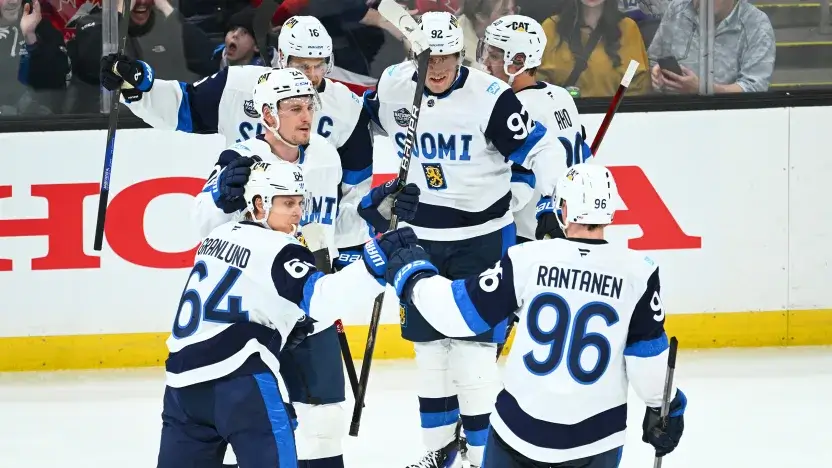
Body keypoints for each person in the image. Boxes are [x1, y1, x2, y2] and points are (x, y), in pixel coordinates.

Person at [383, 162, 687, 467]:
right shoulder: (639, 272)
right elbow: (649, 368)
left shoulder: (527, 259)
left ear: (564, 208)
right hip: (596, 441)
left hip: (519, 433)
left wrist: (413, 273)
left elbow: (457, 314)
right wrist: (668, 407)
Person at [360, 11, 562, 468]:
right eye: (428, 58)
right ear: (414, 55)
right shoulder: (393, 86)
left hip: (481, 242)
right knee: (432, 359)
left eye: (447, 57)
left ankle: (482, 456)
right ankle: (439, 453)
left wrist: (550, 198)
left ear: (461, 54)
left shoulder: (489, 97)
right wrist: (374, 198)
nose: (437, 68)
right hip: (419, 242)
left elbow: (545, 148)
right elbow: (359, 127)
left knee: (472, 360)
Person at [191, 67, 418, 468]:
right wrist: (221, 200)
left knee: (327, 421)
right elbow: (202, 227)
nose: (306, 116)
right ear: (267, 115)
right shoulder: (239, 161)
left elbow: (329, 229)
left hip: (308, 308)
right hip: (255, 319)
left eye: (309, 106)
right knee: (250, 427)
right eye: (294, 108)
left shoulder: (325, 155)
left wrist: (373, 213)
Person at [157, 159, 420, 468]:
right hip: (239, 382)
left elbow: (250, 294)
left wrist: (291, 322)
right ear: (259, 203)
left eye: (299, 202)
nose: (297, 211)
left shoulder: (218, 235)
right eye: (286, 203)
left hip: (179, 388)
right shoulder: (280, 247)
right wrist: (374, 264)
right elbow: (321, 299)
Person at [99, 14, 374, 252]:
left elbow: (354, 195)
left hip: (309, 240)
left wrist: (346, 250)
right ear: (280, 58)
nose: (312, 76)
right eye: (302, 66)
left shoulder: (348, 110)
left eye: (320, 65)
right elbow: (182, 106)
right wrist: (135, 88)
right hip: (245, 235)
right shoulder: (238, 86)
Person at [477, 14, 592, 244]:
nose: (486, 63)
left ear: (518, 61)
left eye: (494, 56)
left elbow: (519, 187)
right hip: (565, 227)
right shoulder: (560, 95)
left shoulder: (516, 108)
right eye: (486, 52)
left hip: (527, 234)